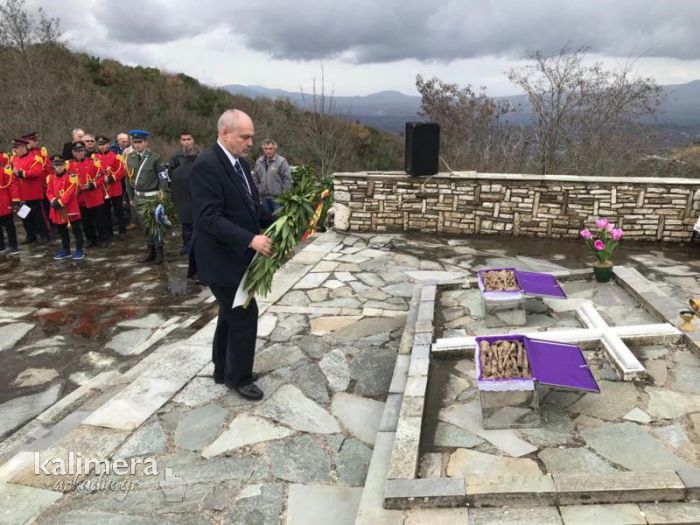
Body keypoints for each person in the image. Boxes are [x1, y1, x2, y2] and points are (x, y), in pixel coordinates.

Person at [189, 109, 275, 400]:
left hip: (237, 258)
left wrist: (282, 219)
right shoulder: (206, 165)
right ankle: (238, 378)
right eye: (245, 137)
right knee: (244, 314)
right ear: (225, 133)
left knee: (229, 312)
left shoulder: (240, 163)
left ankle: (221, 368)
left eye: (251, 137)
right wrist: (250, 239)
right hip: (220, 259)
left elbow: (251, 208)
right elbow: (208, 218)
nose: (251, 142)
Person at [125, 130, 168, 264]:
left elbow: (163, 178)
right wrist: (131, 197)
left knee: (155, 225)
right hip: (138, 197)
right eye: (134, 142)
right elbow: (128, 179)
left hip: (153, 196)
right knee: (144, 226)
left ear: (146, 142)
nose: (137, 145)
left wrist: (162, 196)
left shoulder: (155, 157)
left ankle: (160, 252)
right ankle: (151, 251)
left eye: (139, 142)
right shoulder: (129, 157)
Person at [69, 141, 110, 248]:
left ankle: (103, 238)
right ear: (73, 152)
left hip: (95, 196)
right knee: (86, 221)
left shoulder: (94, 162)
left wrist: (92, 185)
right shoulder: (68, 165)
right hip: (80, 197)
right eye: (77, 151)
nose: (80, 153)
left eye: (82, 151)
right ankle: (91, 239)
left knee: (99, 220)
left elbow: (101, 177)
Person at [10, 138, 50, 244]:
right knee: (25, 217)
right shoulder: (14, 159)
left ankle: (44, 235)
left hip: (34, 194)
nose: (14, 151)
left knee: (39, 217)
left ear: (23, 147)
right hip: (22, 195)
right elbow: (13, 178)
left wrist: (20, 173)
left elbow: (36, 172)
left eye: (16, 148)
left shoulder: (35, 158)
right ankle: (30, 235)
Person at [46, 154, 84, 260]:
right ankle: (66, 249)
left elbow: (72, 191)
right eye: (56, 165)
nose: (59, 167)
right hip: (57, 208)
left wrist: (61, 202)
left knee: (76, 230)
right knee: (62, 230)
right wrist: (53, 200)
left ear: (65, 165)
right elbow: (49, 191)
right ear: (53, 166)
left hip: (70, 207)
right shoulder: (51, 177)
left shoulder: (71, 176)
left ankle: (79, 249)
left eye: (61, 165)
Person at [94, 135, 126, 239]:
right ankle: (109, 231)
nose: (102, 147)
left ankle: (122, 230)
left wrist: (111, 178)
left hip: (115, 188)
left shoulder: (116, 156)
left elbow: (121, 172)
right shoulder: (94, 158)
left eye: (103, 144)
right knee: (105, 212)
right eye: (99, 145)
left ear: (108, 144)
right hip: (102, 189)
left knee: (118, 211)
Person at [252, 138, 292, 214]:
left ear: (274, 148)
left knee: (278, 220)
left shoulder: (281, 161)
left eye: (270, 148)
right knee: (266, 221)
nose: (268, 151)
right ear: (263, 149)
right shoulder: (259, 162)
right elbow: (255, 178)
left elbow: (287, 180)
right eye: (266, 149)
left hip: (277, 199)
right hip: (263, 198)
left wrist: (284, 196)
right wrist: (258, 189)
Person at [170, 149, 199, 254]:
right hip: (195, 206)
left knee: (185, 229)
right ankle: (193, 249)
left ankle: (186, 247)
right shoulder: (198, 170)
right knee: (195, 230)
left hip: (181, 205)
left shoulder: (175, 171)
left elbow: (172, 189)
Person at [0, 152, 19, 254]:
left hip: (4, 202)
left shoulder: (5, 170)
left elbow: (12, 186)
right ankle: (1, 245)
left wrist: (15, 200)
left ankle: (13, 244)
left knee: (9, 225)